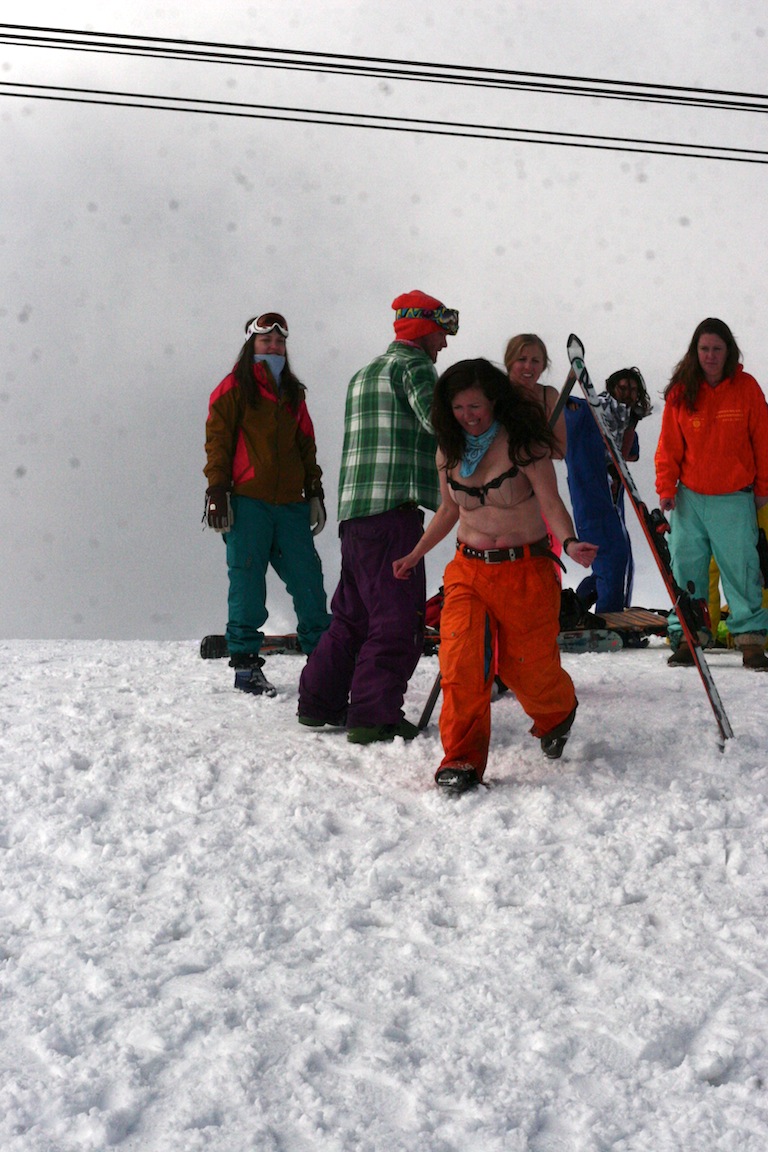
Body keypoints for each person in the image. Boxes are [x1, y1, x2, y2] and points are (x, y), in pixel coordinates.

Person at [393, 358, 598, 794]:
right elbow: (449, 510)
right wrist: (415, 553)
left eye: (476, 407)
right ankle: (462, 758)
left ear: (495, 402)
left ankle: (557, 713)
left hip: (525, 571)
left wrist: (570, 542)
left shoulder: (524, 444)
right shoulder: (448, 450)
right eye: (459, 408)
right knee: (461, 663)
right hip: (468, 571)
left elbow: (551, 503)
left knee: (528, 670)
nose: (468, 416)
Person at [297, 290, 459, 743]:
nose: (444, 343)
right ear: (424, 329)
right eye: (441, 333)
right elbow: (441, 425)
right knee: (397, 620)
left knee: (352, 616)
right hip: (393, 512)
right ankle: (373, 715)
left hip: (356, 515)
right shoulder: (416, 368)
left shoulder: (363, 374)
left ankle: (319, 703)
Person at [204, 311, 331, 695]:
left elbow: (306, 444)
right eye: (266, 341)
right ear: (251, 344)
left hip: (290, 504)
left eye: (279, 342)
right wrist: (217, 492)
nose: (274, 347)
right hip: (248, 502)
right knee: (247, 582)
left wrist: (315, 491)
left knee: (309, 582)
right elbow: (218, 443)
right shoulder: (233, 389)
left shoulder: (293, 394)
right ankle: (246, 667)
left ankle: (324, 664)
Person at [655, 317, 768, 670]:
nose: (710, 356)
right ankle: (690, 638)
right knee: (687, 569)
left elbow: (763, 441)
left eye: (717, 349)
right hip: (689, 499)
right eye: (704, 349)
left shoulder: (747, 388)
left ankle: (751, 642)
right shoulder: (681, 391)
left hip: (735, 498)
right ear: (695, 351)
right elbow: (668, 446)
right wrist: (666, 487)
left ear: (728, 351)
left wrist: (763, 489)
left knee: (741, 570)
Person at [564, 367, 652, 614]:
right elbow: (573, 409)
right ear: (612, 388)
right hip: (591, 491)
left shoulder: (626, 418)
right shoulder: (597, 407)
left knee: (614, 560)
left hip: (610, 494)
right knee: (613, 557)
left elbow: (628, 454)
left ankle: (574, 608)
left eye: (633, 390)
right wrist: (567, 405)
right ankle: (609, 617)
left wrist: (632, 422)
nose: (627, 394)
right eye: (622, 388)